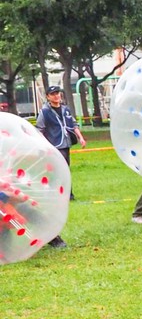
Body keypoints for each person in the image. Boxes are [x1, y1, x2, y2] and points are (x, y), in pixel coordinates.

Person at [34, 85, 86, 247]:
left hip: (65, 143)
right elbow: (40, 129)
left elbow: (73, 124)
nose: (57, 96)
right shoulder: (45, 112)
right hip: (54, 146)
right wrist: (43, 145)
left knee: (66, 170)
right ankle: (58, 194)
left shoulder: (65, 109)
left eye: (58, 93)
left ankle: (68, 193)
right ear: (48, 96)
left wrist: (80, 137)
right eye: (53, 94)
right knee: (57, 171)